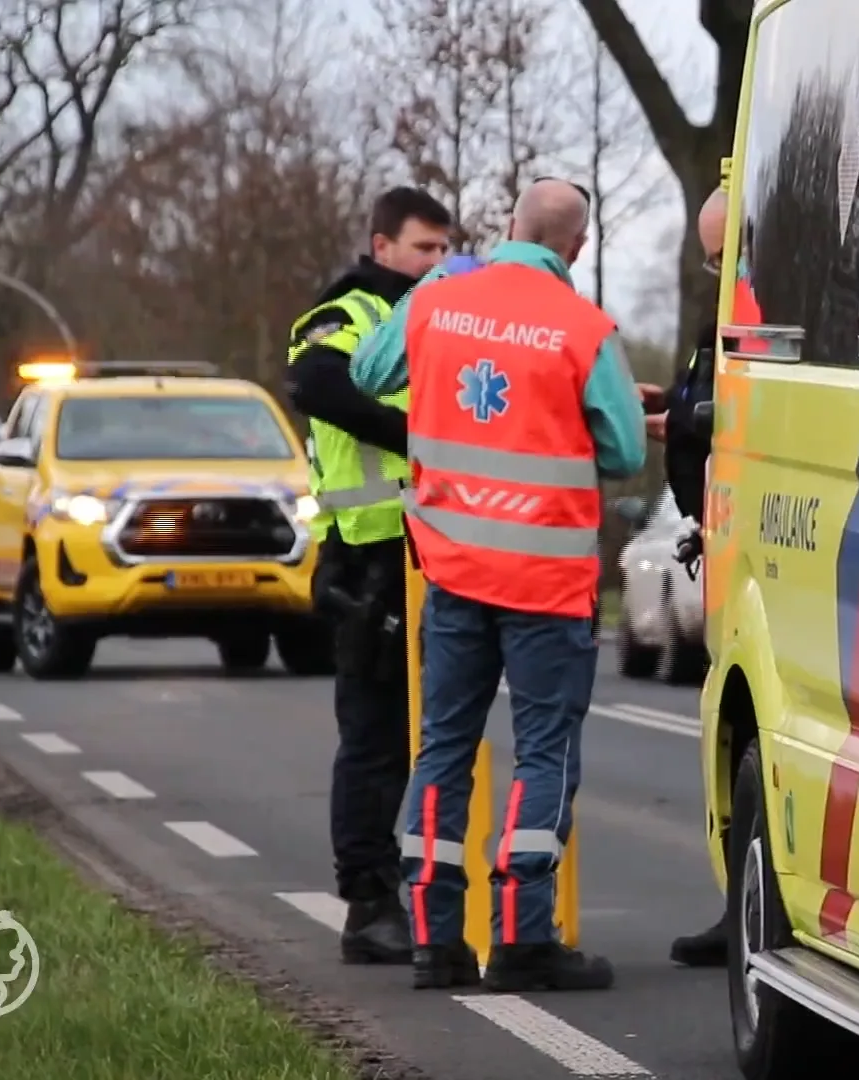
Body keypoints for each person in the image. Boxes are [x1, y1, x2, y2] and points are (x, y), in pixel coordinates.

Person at [349, 178, 655, 992]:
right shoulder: (584, 329)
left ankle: (434, 939)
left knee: (444, 747)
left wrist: (433, 290)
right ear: (576, 249)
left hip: (453, 573)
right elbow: (625, 452)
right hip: (546, 584)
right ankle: (522, 937)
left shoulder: (439, 299)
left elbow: (369, 370)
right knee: (543, 752)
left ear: (508, 225)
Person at [284, 186, 453, 965]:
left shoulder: (437, 314)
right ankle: (367, 904)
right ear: (382, 247)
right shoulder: (347, 312)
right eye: (424, 248)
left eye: (445, 249)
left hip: (427, 551)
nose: (436, 261)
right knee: (374, 740)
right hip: (367, 556)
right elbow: (317, 384)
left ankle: (414, 893)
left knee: (424, 737)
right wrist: (414, 435)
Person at [659, 188, 733, 968]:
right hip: (722, 535)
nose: (717, 269)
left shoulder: (761, 315)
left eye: (722, 254)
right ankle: (738, 902)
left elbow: (717, 412)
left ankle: (744, 907)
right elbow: (698, 406)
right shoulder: (723, 322)